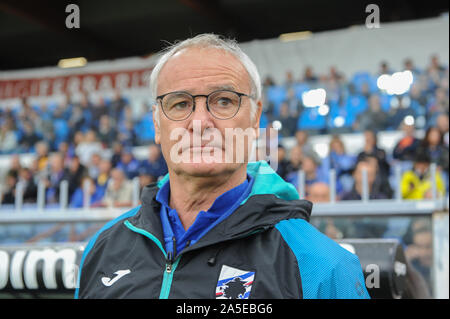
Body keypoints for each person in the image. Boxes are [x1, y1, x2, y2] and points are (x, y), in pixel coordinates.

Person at [76, 34, 369, 299]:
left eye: (224, 101)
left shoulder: (321, 265)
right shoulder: (101, 248)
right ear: (156, 123)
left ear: (255, 119)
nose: (200, 123)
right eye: (179, 104)